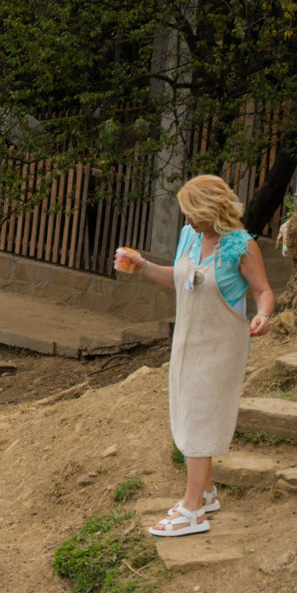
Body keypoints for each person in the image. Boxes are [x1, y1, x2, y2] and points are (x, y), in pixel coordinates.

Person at [116, 174, 276, 538]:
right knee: (188, 410)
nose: (186, 221)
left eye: (192, 215)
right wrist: (144, 267)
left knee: (201, 416)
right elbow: (181, 277)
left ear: (213, 210)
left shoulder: (242, 246)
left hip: (222, 346)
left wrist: (263, 315)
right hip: (188, 340)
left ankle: (191, 511)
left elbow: (263, 290)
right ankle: (206, 492)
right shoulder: (191, 236)